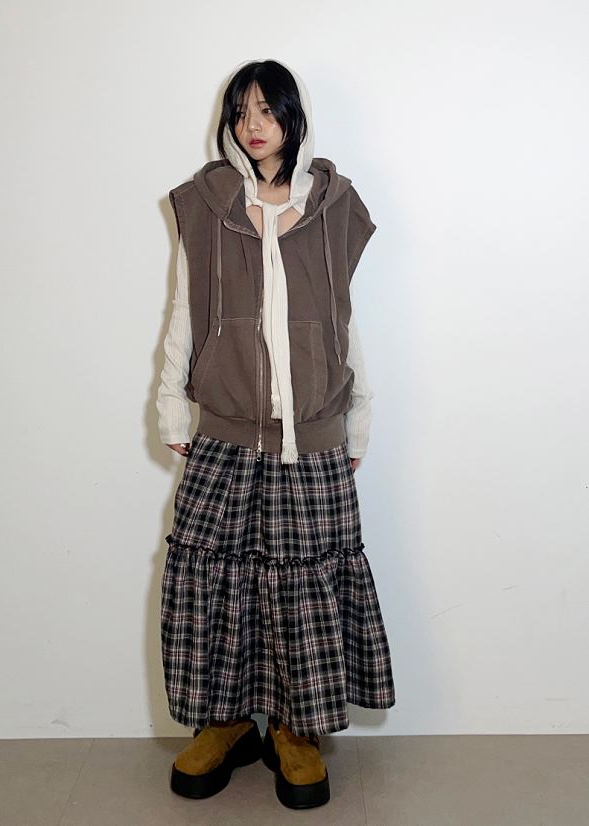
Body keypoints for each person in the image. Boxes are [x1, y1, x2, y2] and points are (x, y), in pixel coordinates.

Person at [156, 58, 395, 811]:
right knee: (216, 584)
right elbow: (183, 313)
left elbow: (342, 319)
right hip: (226, 431)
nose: (252, 125)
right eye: (241, 111)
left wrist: (357, 415)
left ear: (294, 117)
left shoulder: (334, 205)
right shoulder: (205, 204)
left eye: (267, 109)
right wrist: (171, 404)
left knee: (304, 593)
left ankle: (296, 731)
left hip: (310, 435)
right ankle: (225, 723)